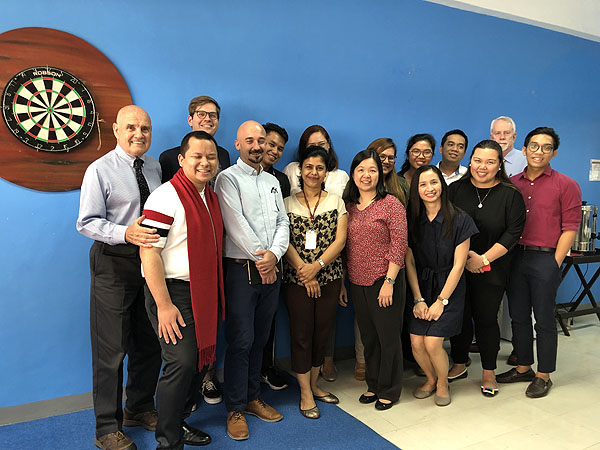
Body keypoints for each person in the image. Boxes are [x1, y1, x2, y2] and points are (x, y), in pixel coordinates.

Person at [77, 105, 162, 450]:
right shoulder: (99, 169)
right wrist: (125, 233)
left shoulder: (154, 167)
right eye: (131, 127)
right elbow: (86, 222)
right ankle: (106, 428)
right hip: (113, 262)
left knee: (149, 343)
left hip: (150, 262)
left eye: (145, 128)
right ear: (116, 130)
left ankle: (138, 408)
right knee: (111, 351)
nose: (138, 134)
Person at [140, 131, 224, 449]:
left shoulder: (208, 196)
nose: (205, 162)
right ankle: (168, 441)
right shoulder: (166, 196)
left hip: (202, 291)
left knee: (199, 363)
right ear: (181, 159)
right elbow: (149, 253)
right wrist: (163, 305)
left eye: (210, 157)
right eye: (197, 156)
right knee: (182, 362)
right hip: (171, 292)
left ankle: (179, 421)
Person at [214, 121, 290, 440]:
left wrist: (274, 254)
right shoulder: (227, 178)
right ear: (238, 144)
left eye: (261, 141)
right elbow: (236, 225)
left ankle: (252, 397)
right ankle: (234, 407)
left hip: (271, 268)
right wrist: (264, 259)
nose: (257, 146)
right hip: (242, 270)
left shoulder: (272, 181)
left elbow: (283, 221)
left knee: (260, 339)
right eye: (250, 140)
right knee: (241, 340)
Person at [497, 127, 581, 398]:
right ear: (524, 149)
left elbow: (570, 228)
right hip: (515, 257)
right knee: (518, 316)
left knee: (543, 319)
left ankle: (544, 375)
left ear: (554, 153)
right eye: (534, 146)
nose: (539, 151)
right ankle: (523, 367)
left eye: (546, 147)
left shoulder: (566, 184)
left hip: (546, 257)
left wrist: (555, 263)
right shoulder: (512, 184)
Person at [159, 95, 230, 405]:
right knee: (182, 356)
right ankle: (171, 419)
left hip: (210, 265)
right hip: (178, 270)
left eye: (213, 115)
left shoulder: (223, 158)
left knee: (206, 338)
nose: (205, 162)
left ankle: (201, 388)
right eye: (201, 114)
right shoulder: (167, 164)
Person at [447, 140, 526, 397]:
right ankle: (459, 363)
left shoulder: (510, 194)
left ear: (499, 165)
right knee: (459, 316)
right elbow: (446, 225)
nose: (483, 167)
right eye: (478, 160)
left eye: (490, 162)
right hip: (458, 265)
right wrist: (465, 258)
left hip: (493, 267)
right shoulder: (455, 190)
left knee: (486, 319)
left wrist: (482, 260)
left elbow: (513, 233)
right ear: (470, 161)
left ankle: (489, 371)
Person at [283, 145, 348, 419]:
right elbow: (283, 240)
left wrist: (317, 267)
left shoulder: (336, 202)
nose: (313, 172)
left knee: (322, 333)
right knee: (301, 334)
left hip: (329, 277)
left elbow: (340, 240)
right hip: (296, 279)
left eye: (319, 168)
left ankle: (314, 384)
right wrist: (304, 271)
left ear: (326, 173)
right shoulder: (286, 203)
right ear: (301, 170)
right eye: (309, 167)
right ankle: (305, 392)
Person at [405, 165, 477, 407]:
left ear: (442, 185)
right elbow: (409, 262)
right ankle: (430, 379)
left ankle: (443, 383)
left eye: (434, 182)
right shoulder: (412, 220)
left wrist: (440, 301)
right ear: (416, 190)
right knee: (416, 341)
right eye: (423, 184)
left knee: (433, 342)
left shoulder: (460, 219)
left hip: (449, 288)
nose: (429, 188)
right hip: (421, 286)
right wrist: (418, 299)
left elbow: (459, 266)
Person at [343, 149, 407, 411]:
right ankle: (373, 384)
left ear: (380, 174)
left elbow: (399, 244)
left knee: (387, 338)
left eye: (372, 170)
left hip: (385, 281)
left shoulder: (391, 204)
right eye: (361, 170)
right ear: (353, 174)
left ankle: (389, 389)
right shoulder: (349, 206)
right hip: (357, 281)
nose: (366, 175)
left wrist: (389, 282)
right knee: (369, 337)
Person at [260, 122, 291, 391]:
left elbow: (283, 221)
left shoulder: (281, 180)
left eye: (280, 148)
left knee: (269, 319)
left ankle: (266, 369)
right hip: (245, 260)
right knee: (243, 323)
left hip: (276, 257)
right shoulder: (234, 176)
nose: (275, 151)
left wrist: (275, 255)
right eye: (271, 144)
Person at [367, 137, 408, 205]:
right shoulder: (359, 182)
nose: (386, 161)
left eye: (391, 158)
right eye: (382, 156)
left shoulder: (402, 184)